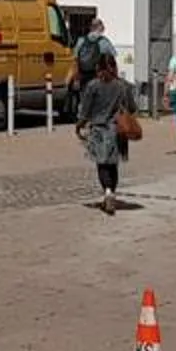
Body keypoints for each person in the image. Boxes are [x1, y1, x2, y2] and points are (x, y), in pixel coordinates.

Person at [76, 53, 138, 214]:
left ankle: (108, 192)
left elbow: (85, 111)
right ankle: (111, 192)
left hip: (98, 130)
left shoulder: (93, 86)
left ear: (98, 67)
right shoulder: (123, 86)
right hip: (117, 131)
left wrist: (79, 126)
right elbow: (132, 108)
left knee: (102, 164)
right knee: (113, 165)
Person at [70, 18, 116, 113]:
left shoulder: (81, 40)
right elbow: (112, 59)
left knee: (84, 96)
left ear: (91, 27)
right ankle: (95, 118)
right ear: (100, 28)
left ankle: (83, 117)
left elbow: (75, 59)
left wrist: (76, 77)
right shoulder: (103, 41)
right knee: (98, 96)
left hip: (82, 74)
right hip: (97, 74)